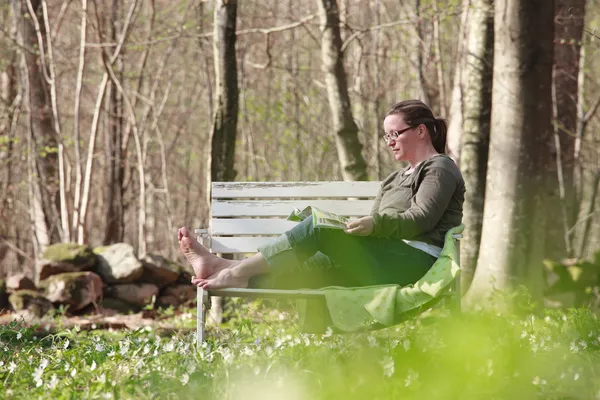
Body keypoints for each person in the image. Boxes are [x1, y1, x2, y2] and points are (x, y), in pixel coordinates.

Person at [178, 100, 465, 290]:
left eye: (395, 134)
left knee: (318, 228)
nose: (389, 142)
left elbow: (422, 218)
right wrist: (358, 229)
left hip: (414, 262)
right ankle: (234, 273)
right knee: (311, 267)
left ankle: (231, 270)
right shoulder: (393, 179)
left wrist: (374, 224)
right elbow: (379, 225)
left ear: (421, 131)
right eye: (385, 136)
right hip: (385, 257)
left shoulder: (439, 168)